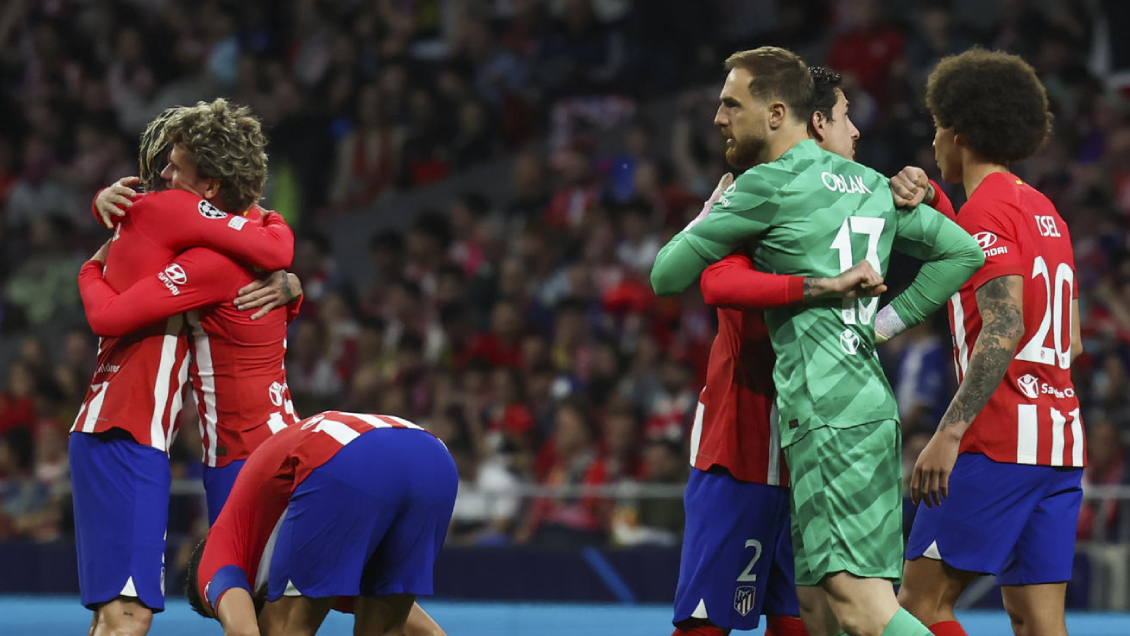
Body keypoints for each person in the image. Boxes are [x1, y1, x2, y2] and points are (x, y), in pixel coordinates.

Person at [651, 47, 984, 636]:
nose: (719, 118)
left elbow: (675, 276)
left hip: (816, 418)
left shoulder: (762, 189)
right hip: (846, 413)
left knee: (862, 609)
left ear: (784, 114)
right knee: (817, 613)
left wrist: (715, 213)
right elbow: (962, 251)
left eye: (731, 104)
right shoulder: (872, 187)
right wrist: (879, 320)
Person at [69, 99, 294, 636]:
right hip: (123, 429)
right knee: (128, 614)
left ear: (210, 186)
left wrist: (290, 286)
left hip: (135, 433)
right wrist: (89, 268)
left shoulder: (181, 225)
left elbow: (264, 252)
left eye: (174, 166)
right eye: (164, 165)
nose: (163, 176)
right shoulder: (179, 215)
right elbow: (275, 248)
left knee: (126, 614)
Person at [878, 49, 1084, 636]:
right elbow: (1069, 342)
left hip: (996, 442)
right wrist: (937, 202)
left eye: (937, 127)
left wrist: (948, 433)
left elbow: (1004, 326)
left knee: (919, 607)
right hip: (1059, 445)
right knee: (1038, 622)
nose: (933, 141)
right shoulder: (1045, 211)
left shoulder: (986, 214)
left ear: (959, 134)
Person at [672, 66, 880, 636]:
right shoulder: (755, 196)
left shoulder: (861, 203)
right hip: (746, 444)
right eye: (845, 117)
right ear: (814, 125)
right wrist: (818, 287)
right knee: (707, 625)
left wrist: (927, 190)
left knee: (802, 622)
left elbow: (956, 251)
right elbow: (713, 281)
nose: (856, 131)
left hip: (817, 451)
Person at [185, 410, 455, 636]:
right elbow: (429, 633)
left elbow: (243, 631)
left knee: (281, 628)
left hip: (347, 457)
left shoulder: (216, 555)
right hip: (432, 458)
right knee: (384, 629)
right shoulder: (316, 561)